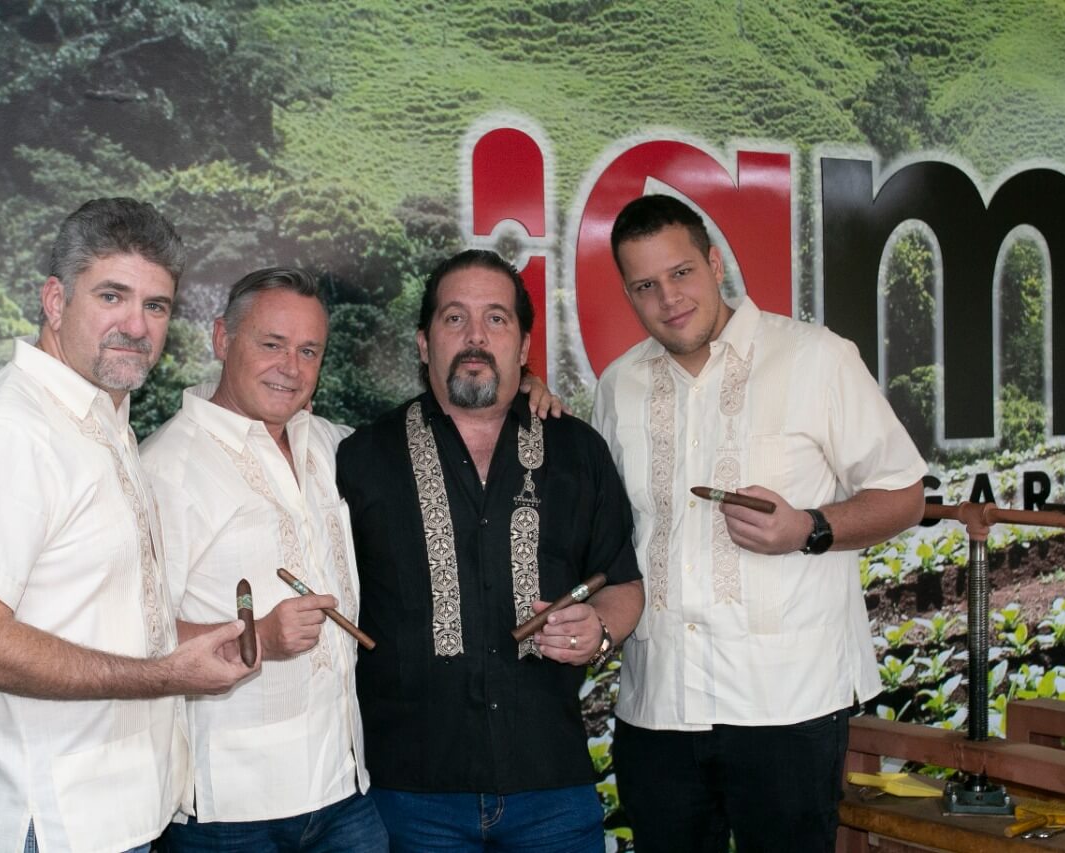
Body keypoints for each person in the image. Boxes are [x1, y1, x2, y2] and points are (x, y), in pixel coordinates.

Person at [592, 194, 927, 853]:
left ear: (715, 263)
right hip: (657, 705)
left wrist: (811, 527)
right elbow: (607, 528)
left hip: (787, 704)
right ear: (628, 294)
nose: (669, 298)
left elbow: (905, 494)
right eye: (645, 286)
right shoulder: (617, 385)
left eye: (682, 272)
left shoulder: (816, 358)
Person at [0, 198, 259, 853]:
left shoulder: (104, 419)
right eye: (112, 296)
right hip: (48, 826)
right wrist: (166, 676)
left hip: (118, 817)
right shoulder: (7, 429)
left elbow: (95, 614)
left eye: (156, 306)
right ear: (55, 301)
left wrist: (199, 644)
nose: (136, 325)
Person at [336, 249, 645, 853]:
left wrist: (601, 629)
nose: (475, 336)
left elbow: (622, 582)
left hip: (551, 788)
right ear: (423, 343)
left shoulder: (578, 450)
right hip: (409, 796)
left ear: (524, 346)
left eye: (496, 319)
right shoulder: (361, 458)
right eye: (455, 318)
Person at [140, 268, 388, 852]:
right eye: (272, 344)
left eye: (309, 351)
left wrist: (522, 392)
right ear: (222, 338)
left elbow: (430, 437)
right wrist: (258, 640)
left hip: (345, 789)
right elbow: (135, 635)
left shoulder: (327, 442)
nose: (291, 368)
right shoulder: (165, 469)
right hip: (233, 811)